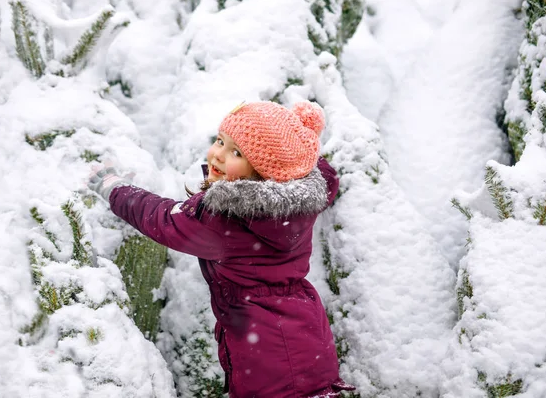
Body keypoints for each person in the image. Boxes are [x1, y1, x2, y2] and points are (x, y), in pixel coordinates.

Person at [88, 101, 356, 398]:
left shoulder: (226, 221)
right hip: (305, 337)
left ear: (263, 174)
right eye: (220, 141)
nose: (218, 154)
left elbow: (165, 219)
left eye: (237, 153)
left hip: (266, 357)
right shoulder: (297, 201)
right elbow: (325, 177)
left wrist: (115, 189)